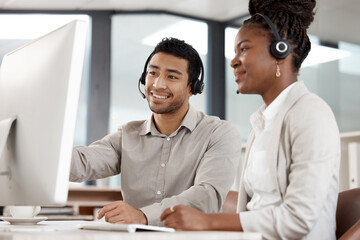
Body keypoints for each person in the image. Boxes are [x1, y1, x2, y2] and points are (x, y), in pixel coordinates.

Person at [160, 0, 341, 239]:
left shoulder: (310, 113)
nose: (233, 61)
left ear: (280, 51)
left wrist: (208, 221)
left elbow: (298, 219)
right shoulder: (262, 123)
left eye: (243, 49)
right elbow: (249, 210)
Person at [70, 37, 242, 226]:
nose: (158, 84)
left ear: (193, 87)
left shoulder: (219, 134)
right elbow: (84, 163)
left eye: (172, 77)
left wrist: (143, 216)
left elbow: (206, 195)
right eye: (153, 73)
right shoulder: (128, 134)